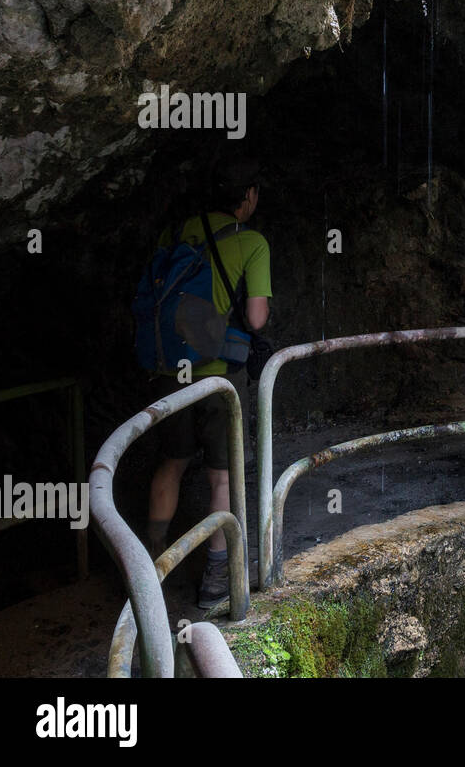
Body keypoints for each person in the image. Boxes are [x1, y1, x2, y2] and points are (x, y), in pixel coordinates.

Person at [144, 158, 271, 609]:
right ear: (248, 196)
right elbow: (255, 319)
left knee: (171, 463)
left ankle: (150, 569)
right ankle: (217, 579)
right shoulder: (251, 241)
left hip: (167, 374)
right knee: (221, 475)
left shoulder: (172, 235)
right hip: (217, 379)